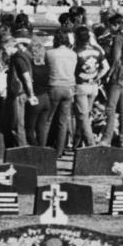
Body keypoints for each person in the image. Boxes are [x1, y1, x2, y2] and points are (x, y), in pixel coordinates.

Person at [74, 26, 109, 147]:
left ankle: (90, 144)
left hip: (80, 85)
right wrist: (97, 77)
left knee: (83, 117)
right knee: (85, 116)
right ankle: (77, 143)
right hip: (93, 86)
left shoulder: (76, 51)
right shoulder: (97, 50)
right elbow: (106, 67)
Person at [100, 14, 123, 147]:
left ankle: (107, 138)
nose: (110, 29)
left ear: (117, 25)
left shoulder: (118, 38)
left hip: (117, 75)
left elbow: (116, 58)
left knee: (110, 107)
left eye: (111, 26)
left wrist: (109, 74)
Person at [45, 29, 77, 157]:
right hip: (69, 88)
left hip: (54, 86)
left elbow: (45, 68)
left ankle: (43, 148)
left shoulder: (50, 53)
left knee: (47, 119)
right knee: (63, 122)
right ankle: (59, 151)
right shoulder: (73, 54)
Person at [2, 38, 38, 148]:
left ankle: (20, 150)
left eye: (5, 49)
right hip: (20, 93)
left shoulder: (18, 59)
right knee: (17, 124)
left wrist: (31, 95)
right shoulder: (22, 56)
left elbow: (26, 77)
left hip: (18, 94)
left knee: (17, 125)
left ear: (10, 47)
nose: (5, 52)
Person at [24, 41, 50, 146]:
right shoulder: (46, 67)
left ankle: (35, 149)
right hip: (46, 99)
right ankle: (42, 151)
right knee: (41, 128)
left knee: (29, 129)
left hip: (36, 98)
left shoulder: (30, 67)